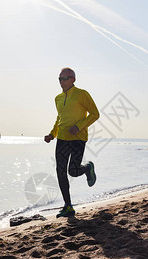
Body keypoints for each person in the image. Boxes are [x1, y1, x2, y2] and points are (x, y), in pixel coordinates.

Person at [44, 68, 100, 218]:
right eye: (60, 79)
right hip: (62, 139)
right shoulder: (57, 98)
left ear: (73, 79)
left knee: (73, 171)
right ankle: (68, 206)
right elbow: (59, 119)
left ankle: (88, 167)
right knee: (60, 172)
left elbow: (95, 114)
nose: (62, 82)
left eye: (65, 78)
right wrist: (52, 134)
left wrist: (79, 126)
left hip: (78, 138)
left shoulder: (82, 94)